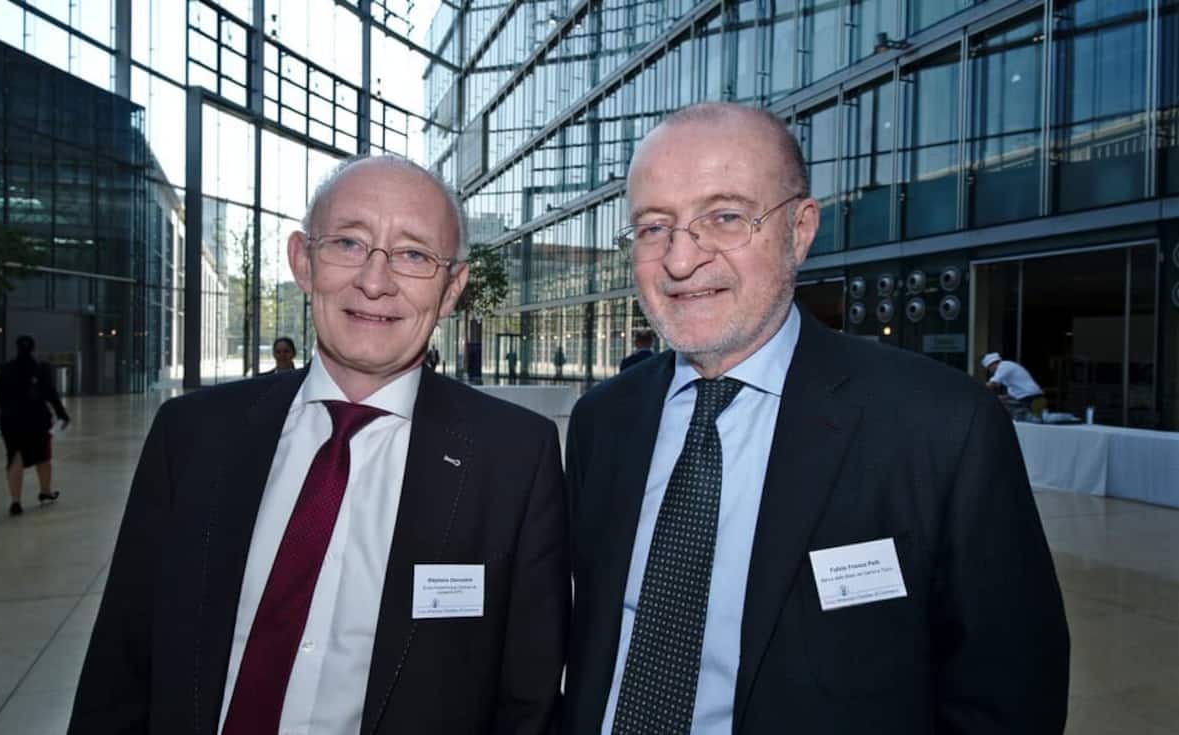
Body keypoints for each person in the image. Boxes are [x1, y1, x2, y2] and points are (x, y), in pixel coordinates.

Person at [563, 103, 1069, 734]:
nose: (681, 260)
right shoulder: (600, 423)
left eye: (724, 217)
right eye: (653, 227)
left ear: (800, 230)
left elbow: (1008, 694)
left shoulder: (940, 426)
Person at [72, 156, 569, 734]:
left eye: (413, 255)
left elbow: (527, 704)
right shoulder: (191, 436)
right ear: (303, 261)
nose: (375, 282)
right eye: (349, 243)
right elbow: (121, 668)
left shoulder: (514, 460)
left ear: (453, 286)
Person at [0, 335, 70, 516]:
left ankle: (16, 501)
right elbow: (51, 394)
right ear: (33, 349)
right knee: (43, 457)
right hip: (37, 420)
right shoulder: (41, 368)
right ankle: (45, 492)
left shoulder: (6, 369)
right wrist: (62, 415)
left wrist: (9, 413)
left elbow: (0, 397)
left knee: (15, 457)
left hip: (11, 420)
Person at [982, 351, 1046, 420]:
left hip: (1030, 398)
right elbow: (1012, 391)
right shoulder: (1008, 367)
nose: (990, 371)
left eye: (989, 368)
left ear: (992, 364)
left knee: (1038, 419)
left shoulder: (1003, 366)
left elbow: (992, 383)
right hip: (1027, 397)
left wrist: (979, 391)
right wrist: (1001, 397)